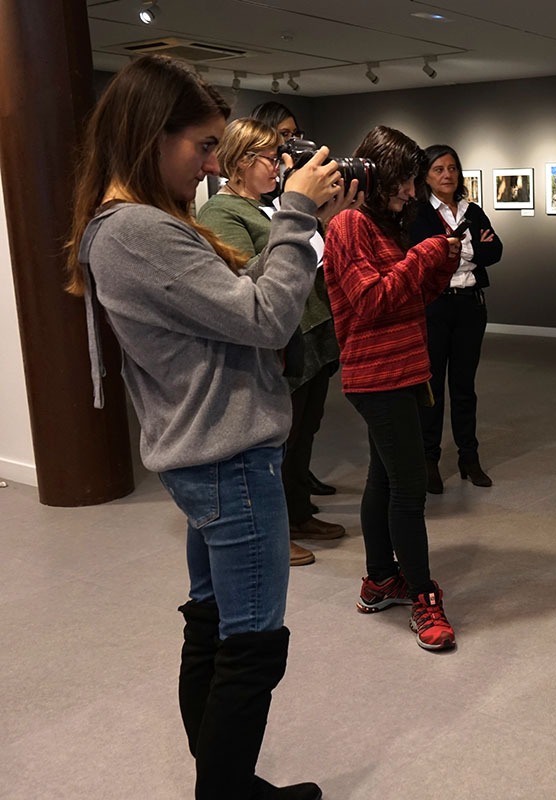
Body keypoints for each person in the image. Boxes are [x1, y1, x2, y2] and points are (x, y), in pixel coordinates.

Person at [66, 55, 348, 798]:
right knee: (251, 646)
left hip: (210, 453)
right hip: (229, 455)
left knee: (217, 624)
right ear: (148, 137)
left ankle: (229, 784)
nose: (212, 163)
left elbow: (233, 306)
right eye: (202, 145)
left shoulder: (139, 225)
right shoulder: (137, 232)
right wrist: (294, 213)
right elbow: (265, 317)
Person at [322, 126, 462, 651]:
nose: (411, 193)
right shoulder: (350, 225)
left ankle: (380, 580)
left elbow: (407, 298)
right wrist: (425, 256)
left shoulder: (380, 224)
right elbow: (372, 301)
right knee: (408, 486)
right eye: (405, 182)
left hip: (400, 369)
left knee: (384, 480)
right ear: (379, 175)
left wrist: (439, 267)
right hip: (377, 375)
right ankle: (423, 595)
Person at [197, 118, 354, 568]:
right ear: (242, 162)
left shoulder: (269, 206)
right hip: (279, 341)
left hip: (310, 331)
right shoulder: (221, 213)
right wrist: (296, 223)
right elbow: (245, 279)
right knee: (279, 441)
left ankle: (299, 513)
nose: (281, 167)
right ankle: (275, 530)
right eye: (273, 158)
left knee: (305, 431)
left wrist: (314, 220)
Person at [250, 100, 342, 504]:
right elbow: (250, 274)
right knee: (288, 424)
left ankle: (300, 486)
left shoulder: (287, 200)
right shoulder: (240, 209)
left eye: (294, 133)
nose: (291, 145)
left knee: (310, 420)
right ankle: (289, 505)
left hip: (314, 320)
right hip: (285, 329)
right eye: (283, 138)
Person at [408, 144, 503, 493]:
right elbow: (423, 254)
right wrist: (466, 250)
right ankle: (429, 459)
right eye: (438, 169)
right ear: (426, 176)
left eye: (452, 168)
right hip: (434, 307)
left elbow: (495, 250)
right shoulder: (418, 213)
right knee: (431, 387)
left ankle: (469, 457)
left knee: (464, 387)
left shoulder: (472, 210)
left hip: (470, 307)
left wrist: (456, 248)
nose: (447, 175)